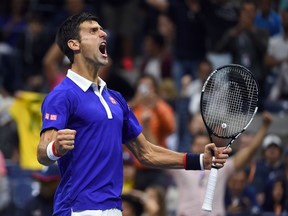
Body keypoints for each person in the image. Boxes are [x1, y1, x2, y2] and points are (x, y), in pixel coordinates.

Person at [36, 12, 231, 216]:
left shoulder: (116, 99)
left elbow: (146, 152)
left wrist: (200, 160)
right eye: (93, 31)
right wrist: (55, 148)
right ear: (74, 44)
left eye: (102, 30)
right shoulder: (61, 95)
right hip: (77, 209)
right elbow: (42, 152)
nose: (103, 34)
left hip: (113, 209)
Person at [167, 112, 272, 216]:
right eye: (197, 145)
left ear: (210, 147)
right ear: (191, 147)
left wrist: (264, 127)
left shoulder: (221, 166)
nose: (200, 148)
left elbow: (250, 151)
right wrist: (149, 127)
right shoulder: (181, 166)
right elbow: (158, 155)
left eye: (203, 145)